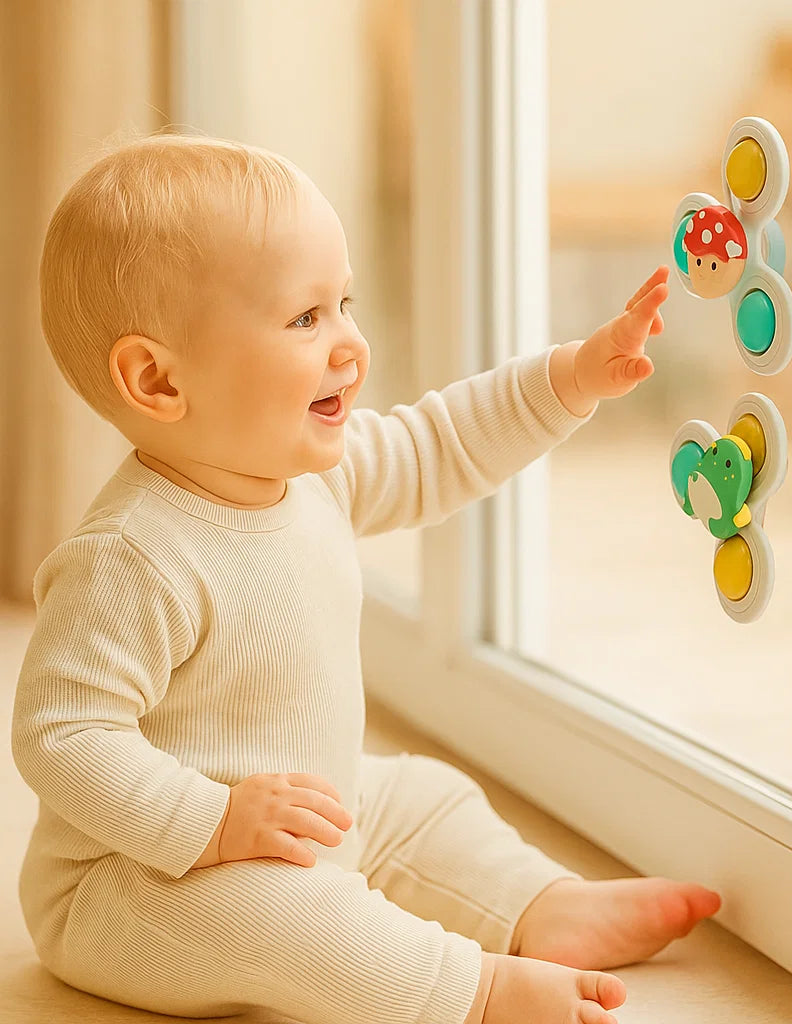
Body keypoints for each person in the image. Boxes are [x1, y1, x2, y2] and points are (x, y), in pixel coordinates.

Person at [11, 132, 722, 1024]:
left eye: (344, 303)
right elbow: (62, 736)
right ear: (157, 378)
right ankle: (474, 991)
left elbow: (442, 442)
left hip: (298, 822)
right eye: (306, 319)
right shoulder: (132, 555)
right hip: (135, 886)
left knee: (421, 795)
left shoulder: (312, 475)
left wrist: (571, 378)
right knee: (281, 912)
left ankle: (538, 907)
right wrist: (212, 823)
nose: (351, 344)